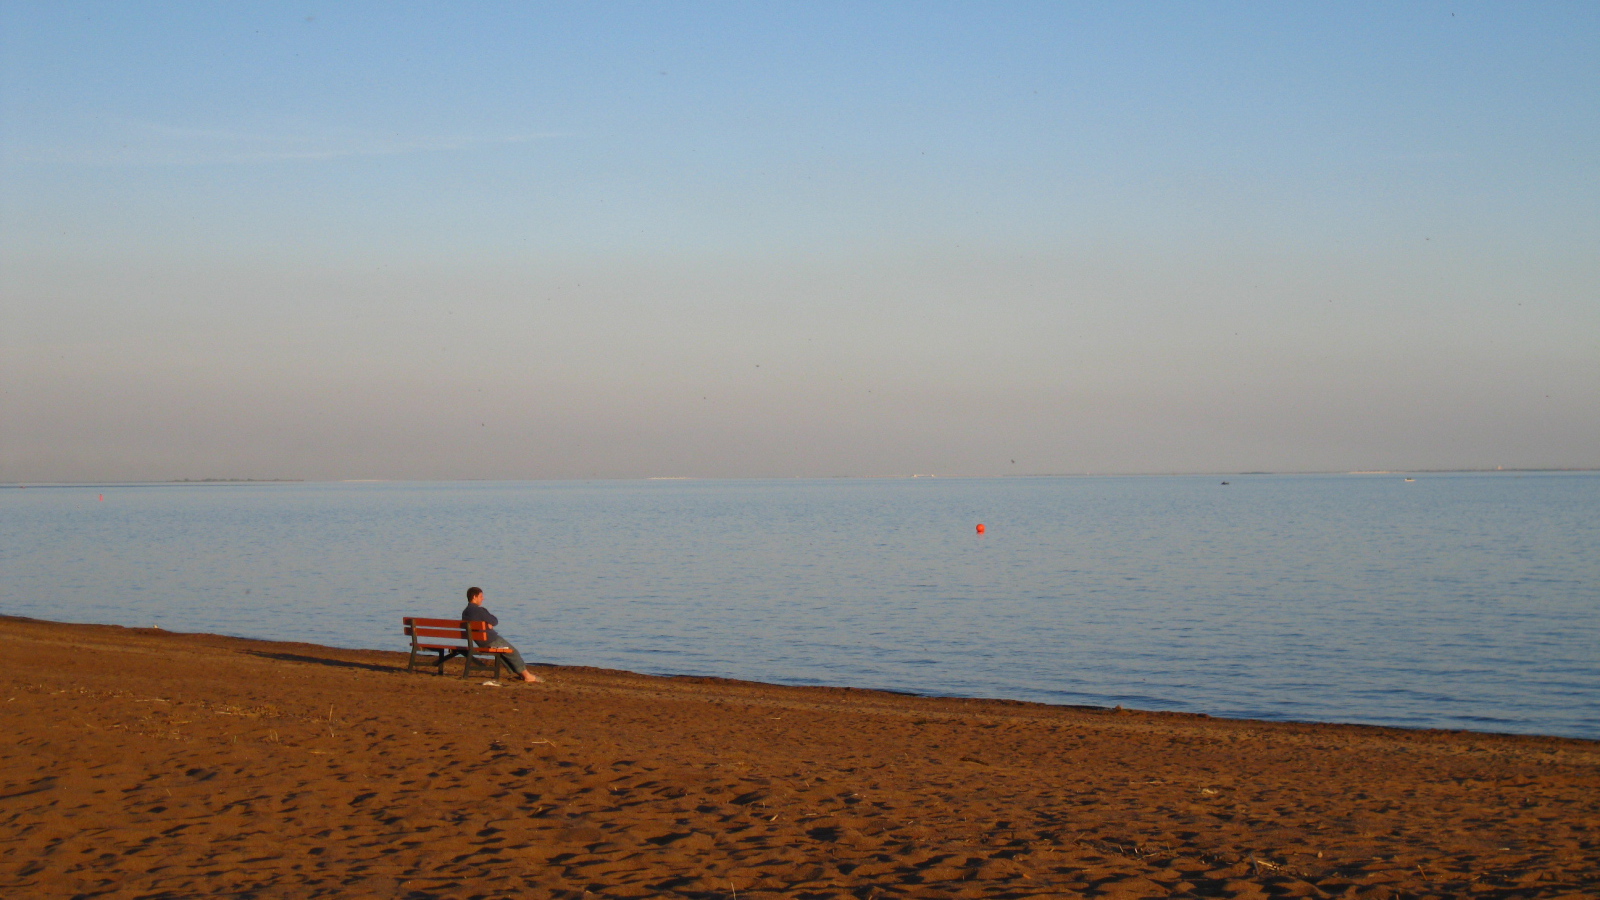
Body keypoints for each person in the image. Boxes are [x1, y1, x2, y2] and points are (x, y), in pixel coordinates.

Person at [461, 586, 542, 684]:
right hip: (490, 640)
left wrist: (486, 624)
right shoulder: (479, 610)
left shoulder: (465, 612)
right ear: (474, 597)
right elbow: (494, 621)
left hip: (479, 642)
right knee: (513, 652)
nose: (483, 598)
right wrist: (488, 624)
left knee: (505, 653)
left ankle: (520, 673)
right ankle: (527, 676)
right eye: (481, 596)